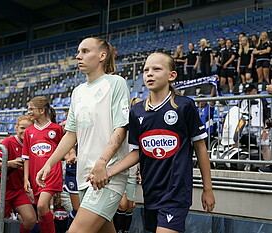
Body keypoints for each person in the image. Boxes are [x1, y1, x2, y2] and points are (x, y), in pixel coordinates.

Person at [93, 52, 215, 233]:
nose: (149, 73)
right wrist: (109, 171)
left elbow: (201, 148)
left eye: (156, 69)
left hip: (176, 192)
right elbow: (137, 153)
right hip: (150, 192)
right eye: (146, 70)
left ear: (171, 75)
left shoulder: (185, 106)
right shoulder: (137, 112)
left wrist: (208, 188)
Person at [36, 37, 130, 233]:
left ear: (102, 56)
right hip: (84, 176)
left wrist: (102, 162)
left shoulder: (116, 83)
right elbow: (71, 134)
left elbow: (121, 128)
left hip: (107, 174)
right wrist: (49, 163)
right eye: (78, 52)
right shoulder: (77, 92)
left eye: (86, 51)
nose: (78, 56)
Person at [23, 96, 64, 233]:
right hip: (35, 176)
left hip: (52, 173)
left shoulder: (56, 129)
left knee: (41, 206)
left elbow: (64, 149)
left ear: (41, 110)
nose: (28, 111)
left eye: (31, 109)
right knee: (41, 212)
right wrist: (26, 178)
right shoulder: (28, 131)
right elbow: (26, 157)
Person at [0, 116, 36, 233]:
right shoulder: (7, 142)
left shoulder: (32, 145)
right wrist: (10, 163)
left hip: (19, 190)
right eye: (22, 128)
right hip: (2, 189)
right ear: (16, 128)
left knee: (30, 220)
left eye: (28, 128)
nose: (25, 131)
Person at [113, 97, 142, 233]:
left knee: (130, 205)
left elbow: (139, 152)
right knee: (122, 204)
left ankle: (125, 231)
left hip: (132, 172)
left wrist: (140, 171)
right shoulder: (123, 126)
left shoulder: (142, 127)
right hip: (120, 170)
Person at [240, 84, 271, 172]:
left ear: (255, 91)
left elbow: (268, 117)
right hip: (244, 127)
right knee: (234, 139)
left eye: (249, 91)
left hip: (259, 128)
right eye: (246, 92)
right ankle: (236, 162)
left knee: (265, 143)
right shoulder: (242, 101)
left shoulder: (262, 100)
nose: (247, 94)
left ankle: (268, 165)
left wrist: (266, 131)